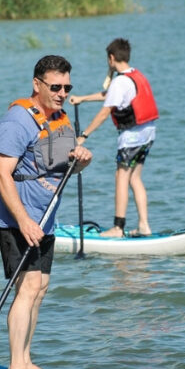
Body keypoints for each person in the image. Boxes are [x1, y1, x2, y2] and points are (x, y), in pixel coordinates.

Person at [0, 54, 92, 369]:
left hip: (45, 220)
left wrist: (82, 160)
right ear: (37, 84)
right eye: (55, 87)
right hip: (17, 220)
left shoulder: (60, 119)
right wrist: (23, 221)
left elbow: (64, 168)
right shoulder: (16, 121)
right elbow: (1, 175)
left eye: (67, 87)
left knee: (40, 288)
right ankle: (14, 368)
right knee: (28, 287)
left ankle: (26, 361)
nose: (62, 93)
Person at [70, 39, 157, 238]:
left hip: (132, 137)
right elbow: (109, 95)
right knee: (135, 177)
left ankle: (118, 227)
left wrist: (83, 135)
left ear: (111, 58)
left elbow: (104, 112)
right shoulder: (134, 75)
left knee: (121, 176)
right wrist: (83, 98)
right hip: (148, 133)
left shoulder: (120, 81)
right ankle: (144, 225)